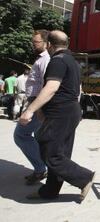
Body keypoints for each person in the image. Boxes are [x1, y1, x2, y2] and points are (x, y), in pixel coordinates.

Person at [20, 30, 95, 201]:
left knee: (49, 152)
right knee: (60, 152)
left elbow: (52, 87)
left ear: (49, 45)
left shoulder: (57, 61)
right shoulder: (73, 62)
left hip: (61, 112)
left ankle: (85, 178)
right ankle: (50, 191)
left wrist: (30, 110)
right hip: (70, 110)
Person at [14, 30, 50, 185]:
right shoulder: (42, 59)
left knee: (21, 135)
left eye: (36, 42)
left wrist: (38, 109)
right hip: (35, 104)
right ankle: (44, 167)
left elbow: (46, 86)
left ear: (47, 43)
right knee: (38, 138)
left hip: (37, 106)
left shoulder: (46, 60)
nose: (33, 45)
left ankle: (42, 168)